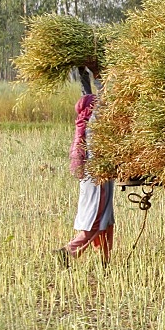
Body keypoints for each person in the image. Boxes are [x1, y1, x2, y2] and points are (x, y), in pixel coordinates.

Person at [57, 91, 115, 267]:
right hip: (97, 180)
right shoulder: (94, 124)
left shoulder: (86, 120)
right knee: (95, 222)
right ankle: (67, 253)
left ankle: (104, 261)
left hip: (95, 179)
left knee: (106, 221)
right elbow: (100, 152)